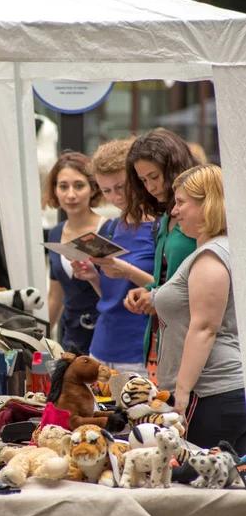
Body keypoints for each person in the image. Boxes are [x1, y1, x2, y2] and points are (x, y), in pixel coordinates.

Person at [154, 164, 246, 453]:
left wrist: (180, 396)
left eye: (181, 202)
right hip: (222, 391)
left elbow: (204, 328)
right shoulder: (225, 249)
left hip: (209, 393)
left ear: (209, 203)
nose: (174, 211)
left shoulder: (212, 255)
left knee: (200, 488)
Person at [71, 139, 156, 374]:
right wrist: (92, 277)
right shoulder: (112, 228)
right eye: (106, 190)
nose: (115, 197)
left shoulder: (161, 228)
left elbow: (172, 292)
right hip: (101, 348)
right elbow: (112, 297)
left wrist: (127, 271)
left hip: (140, 351)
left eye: (120, 186)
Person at [123, 128, 199, 384]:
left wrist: (154, 295)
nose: (151, 186)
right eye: (143, 180)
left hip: (191, 344)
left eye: (154, 176)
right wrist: (146, 290)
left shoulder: (198, 218)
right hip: (161, 339)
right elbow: (166, 279)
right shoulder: (165, 218)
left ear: (174, 168)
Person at [42, 151, 106, 353]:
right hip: (70, 336)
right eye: (63, 186)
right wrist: (39, 340)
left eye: (79, 186)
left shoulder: (108, 230)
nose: (71, 194)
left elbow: (119, 291)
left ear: (93, 188)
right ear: (55, 190)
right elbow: (55, 295)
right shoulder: (55, 233)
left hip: (105, 334)